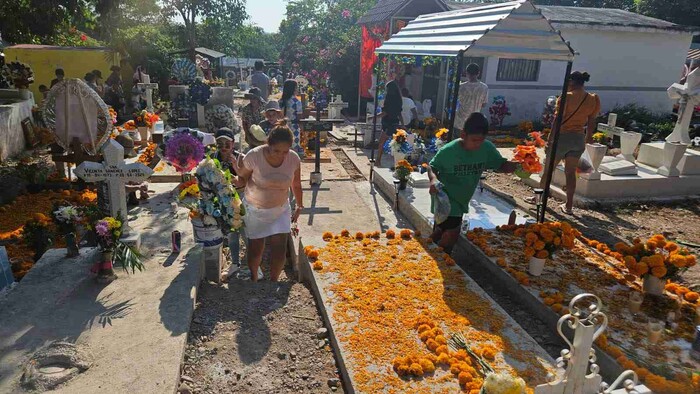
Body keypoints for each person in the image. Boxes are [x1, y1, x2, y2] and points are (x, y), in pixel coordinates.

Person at [428, 113, 517, 254]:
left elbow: (500, 165)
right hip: (446, 198)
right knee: (452, 234)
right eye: (474, 140)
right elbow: (432, 167)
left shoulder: (486, 148)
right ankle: (441, 260)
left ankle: (428, 251)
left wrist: (517, 165)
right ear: (463, 135)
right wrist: (433, 180)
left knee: (442, 231)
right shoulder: (449, 151)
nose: (478, 144)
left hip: (462, 198)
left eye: (481, 140)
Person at [231, 121, 303, 282]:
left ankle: (274, 281)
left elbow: (296, 184)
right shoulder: (254, 156)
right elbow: (242, 178)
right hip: (256, 208)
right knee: (256, 248)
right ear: (268, 144)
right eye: (276, 150)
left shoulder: (293, 159)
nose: (280, 155)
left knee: (280, 248)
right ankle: (254, 278)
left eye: (285, 151)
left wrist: (299, 205)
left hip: (280, 209)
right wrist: (232, 179)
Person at [533, 71, 600, 215]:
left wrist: (550, 138)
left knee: (549, 170)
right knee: (570, 173)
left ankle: (538, 198)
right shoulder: (592, 98)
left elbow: (557, 119)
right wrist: (588, 136)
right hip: (578, 139)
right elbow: (591, 119)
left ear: (571, 82)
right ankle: (569, 205)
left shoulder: (566, 97)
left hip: (562, 137)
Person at [213, 128, 252, 279]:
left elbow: (247, 181)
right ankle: (235, 263)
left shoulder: (241, 158)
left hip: (241, 197)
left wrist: (236, 167)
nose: (223, 147)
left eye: (227, 144)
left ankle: (252, 263)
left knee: (246, 231)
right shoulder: (213, 158)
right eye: (220, 144)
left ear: (233, 144)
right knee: (231, 233)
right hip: (224, 198)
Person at [454, 63, 489, 135]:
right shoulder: (484, 87)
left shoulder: (461, 87)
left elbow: (455, 101)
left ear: (467, 73)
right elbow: (484, 104)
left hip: (460, 120)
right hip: (474, 120)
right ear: (478, 73)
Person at [375, 79, 402, 166]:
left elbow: (384, 113)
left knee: (381, 142)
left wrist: (373, 117)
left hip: (388, 122)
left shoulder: (389, 99)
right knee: (396, 143)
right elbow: (399, 113)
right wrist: (403, 124)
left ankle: (378, 160)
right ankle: (397, 161)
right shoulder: (398, 99)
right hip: (395, 122)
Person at [280, 79, 303, 154]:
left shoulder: (281, 101)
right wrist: (302, 129)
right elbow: (299, 118)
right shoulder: (297, 102)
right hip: (294, 128)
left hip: (282, 127)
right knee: (293, 149)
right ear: (294, 89)